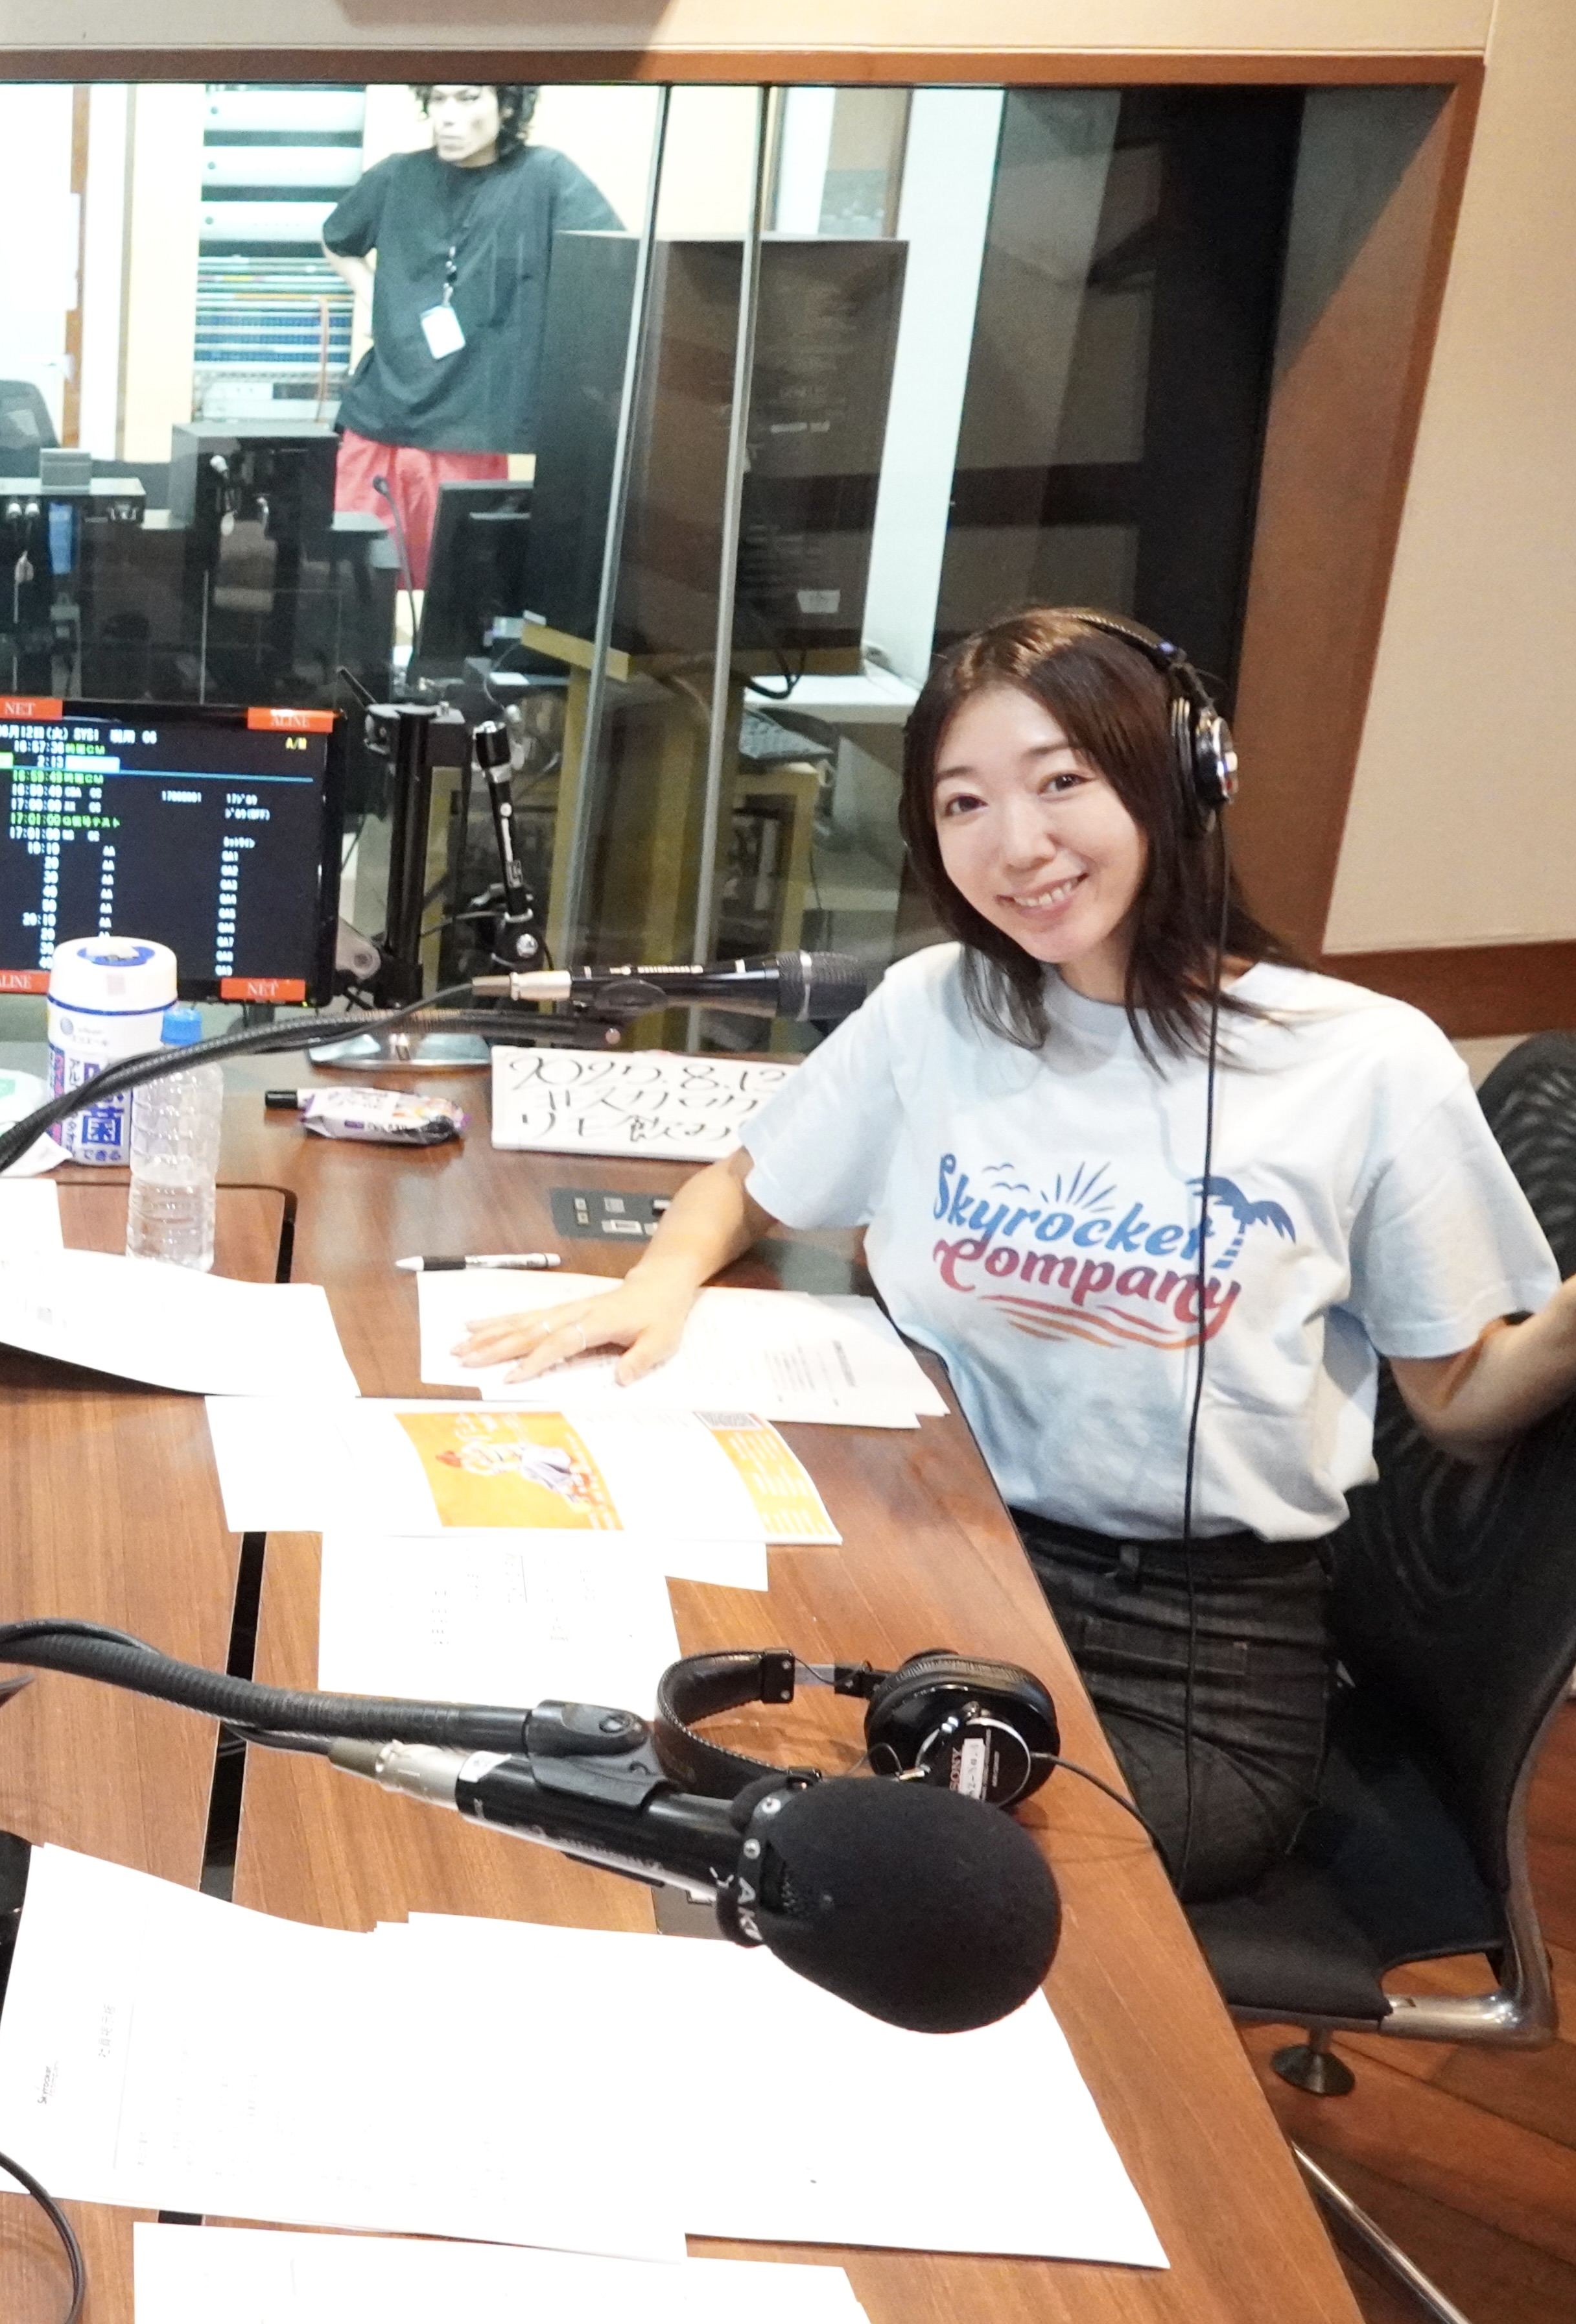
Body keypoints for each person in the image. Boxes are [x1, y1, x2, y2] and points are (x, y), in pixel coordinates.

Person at [456, 608, 1576, 1901]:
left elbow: (1463, 1402)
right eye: (965, 802)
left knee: (832, 1863)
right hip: (929, 1558)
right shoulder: (940, 1008)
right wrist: (658, 1281)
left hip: (1189, 1662)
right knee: (627, 1750)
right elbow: (742, 1183)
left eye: (1061, 781)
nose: (1018, 844)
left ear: (1180, 778)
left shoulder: (1365, 1062)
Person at [322, 84, 617, 591]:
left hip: (470, 424)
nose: (448, 116)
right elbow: (337, 239)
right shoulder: (398, 176)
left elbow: (609, 260)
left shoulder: (544, 176)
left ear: (507, 105)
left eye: (467, 99)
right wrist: (376, 301)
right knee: (356, 588)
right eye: (438, 100)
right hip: (381, 414)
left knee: (456, 591)